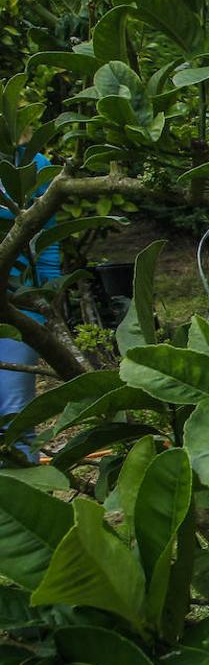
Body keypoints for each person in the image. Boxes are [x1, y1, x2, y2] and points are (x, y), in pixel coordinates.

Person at [0, 149, 57, 460]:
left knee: (15, 413)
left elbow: (49, 235)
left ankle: (21, 500)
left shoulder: (35, 164)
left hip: (20, 304)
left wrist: (46, 298)